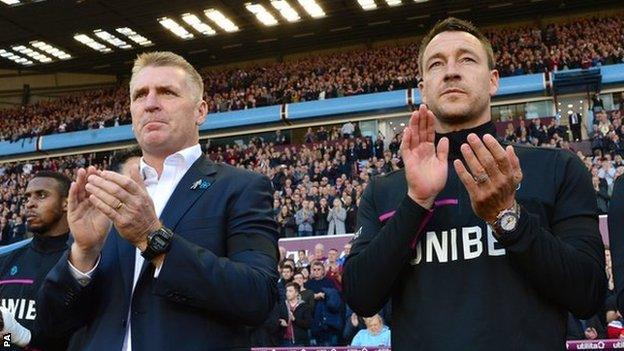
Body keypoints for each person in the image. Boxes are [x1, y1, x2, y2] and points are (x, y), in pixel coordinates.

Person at [343, 18, 606, 351]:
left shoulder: (557, 168)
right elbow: (360, 297)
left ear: (493, 80)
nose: (451, 71)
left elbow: (588, 294)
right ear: (423, 88)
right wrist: (416, 203)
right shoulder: (385, 190)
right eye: (437, 64)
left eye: (466, 59)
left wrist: (507, 217)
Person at [37, 51, 279, 350]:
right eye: (140, 95)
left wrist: (153, 239)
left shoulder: (241, 187)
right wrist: (83, 254)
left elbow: (258, 297)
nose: (150, 103)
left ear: (200, 111)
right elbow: (50, 327)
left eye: (167, 92)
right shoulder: (106, 195)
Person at [0, 172, 73, 350]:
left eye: (41, 195)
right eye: (27, 197)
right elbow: (5, 337)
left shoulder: (82, 264)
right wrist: (11, 339)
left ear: (66, 202)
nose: (30, 203)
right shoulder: (6, 260)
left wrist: (26, 339)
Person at [281, 282, 312, 347]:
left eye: (290, 291)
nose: (287, 293)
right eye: (287, 291)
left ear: (297, 293)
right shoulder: (282, 305)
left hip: (300, 342)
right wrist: (280, 322)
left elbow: (308, 324)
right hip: (284, 341)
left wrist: (295, 319)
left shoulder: (304, 306)